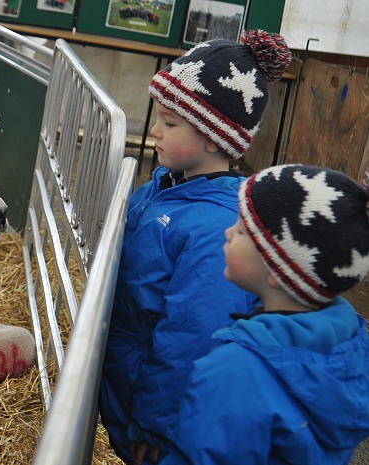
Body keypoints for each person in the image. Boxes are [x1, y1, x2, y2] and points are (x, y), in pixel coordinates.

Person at [98, 30, 292, 465]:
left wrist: (158, 422)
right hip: (129, 378)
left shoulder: (216, 228)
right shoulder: (164, 188)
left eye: (170, 123)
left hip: (161, 415)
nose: (154, 131)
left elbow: (193, 335)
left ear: (213, 138)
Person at [161, 164, 369, 464]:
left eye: (244, 230)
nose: (228, 232)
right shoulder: (350, 348)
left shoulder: (233, 371)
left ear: (278, 271)